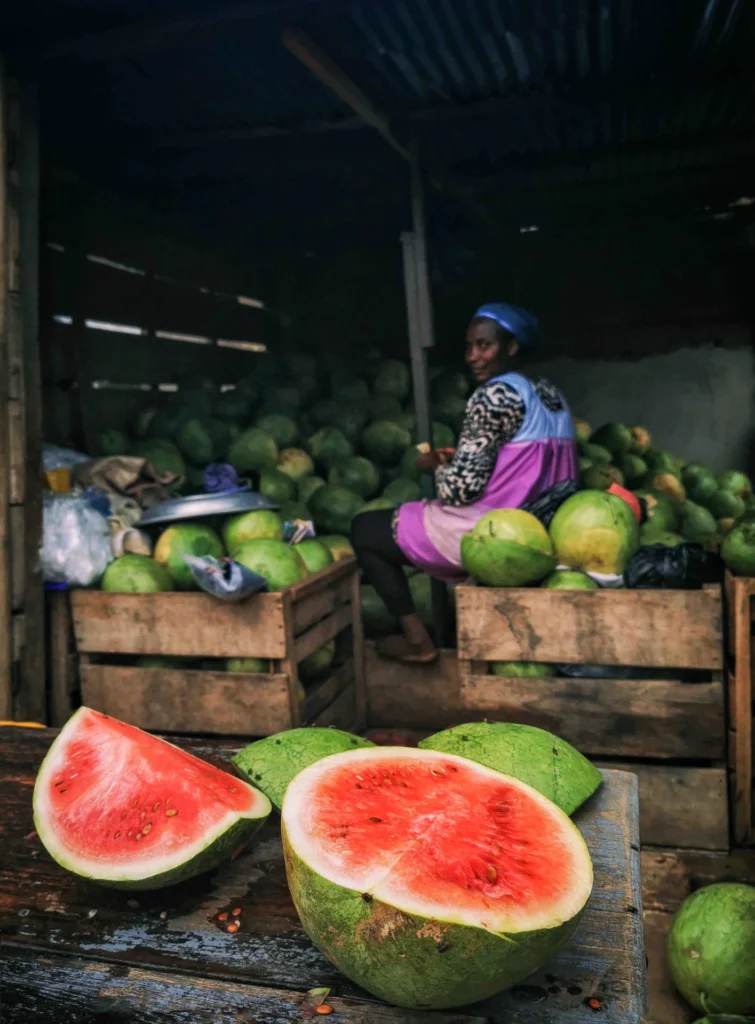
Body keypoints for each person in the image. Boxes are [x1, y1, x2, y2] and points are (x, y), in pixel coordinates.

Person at [350, 302, 578, 664]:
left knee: (366, 531)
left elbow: (458, 490)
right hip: (545, 529)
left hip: (495, 532)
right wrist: (465, 455)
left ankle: (418, 643)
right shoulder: (551, 394)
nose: (473, 356)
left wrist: (433, 466)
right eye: (469, 346)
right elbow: (527, 458)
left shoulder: (492, 396)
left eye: (484, 346)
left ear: (511, 347)